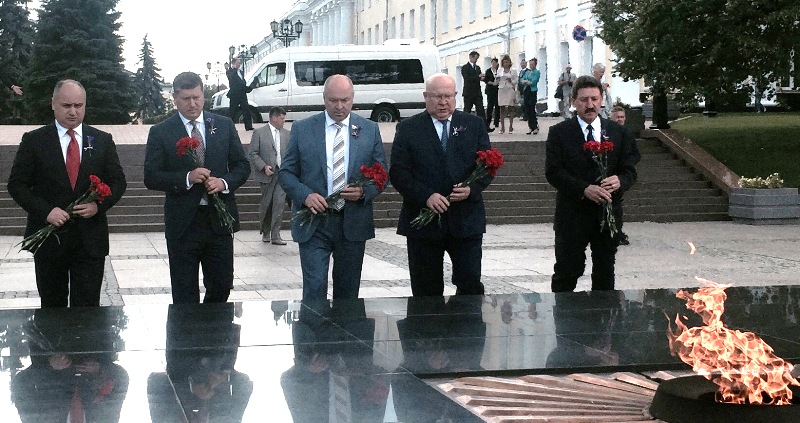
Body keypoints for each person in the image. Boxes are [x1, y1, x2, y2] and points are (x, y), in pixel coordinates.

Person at [7, 79, 127, 308]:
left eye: (78, 105)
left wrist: (98, 206)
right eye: (66, 105)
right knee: (52, 308)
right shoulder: (34, 141)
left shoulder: (102, 140)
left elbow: (118, 182)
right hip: (49, 239)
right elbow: (17, 185)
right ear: (53, 104)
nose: (73, 111)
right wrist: (46, 211)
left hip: (90, 241)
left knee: (88, 309)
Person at [144, 72, 250, 304]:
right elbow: (151, 177)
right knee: (184, 292)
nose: (192, 104)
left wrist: (223, 183)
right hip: (183, 223)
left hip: (219, 222)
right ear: (175, 98)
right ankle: (186, 338)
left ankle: (216, 335)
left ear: (204, 95)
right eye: (185, 99)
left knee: (221, 285)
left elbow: (242, 166)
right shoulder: (162, 131)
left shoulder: (223, 125)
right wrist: (186, 178)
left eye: (197, 97)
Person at [279, 74, 387, 302]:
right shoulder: (303, 129)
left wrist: (364, 192)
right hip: (313, 221)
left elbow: (382, 174)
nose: (339, 106)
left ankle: (346, 337)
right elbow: (286, 173)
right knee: (315, 285)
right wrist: (305, 195)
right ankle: (311, 336)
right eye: (333, 100)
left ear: (353, 98)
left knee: (348, 291)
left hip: (352, 221)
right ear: (324, 98)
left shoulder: (369, 129)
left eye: (345, 100)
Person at [389, 73, 494, 296]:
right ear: (426, 97)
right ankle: (427, 330)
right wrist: (426, 196)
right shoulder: (408, 128)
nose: (443, 102)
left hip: (466, 220)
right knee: (426, 290)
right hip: (424, 223)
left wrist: (472, 189)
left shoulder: (473, 124)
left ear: (455, 97)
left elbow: (487, 166)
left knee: (470, 285)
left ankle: (467, 329)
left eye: (448, 96)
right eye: (437, 96)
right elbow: (399, 173)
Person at [545, 76, 640, 292]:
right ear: (573, 101)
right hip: (572, 215)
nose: (590, 105)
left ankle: (605, 321)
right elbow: (553, 172)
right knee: (567, 272)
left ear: (602, 99)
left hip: (607, 216)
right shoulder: (559, 133)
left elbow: (629, 170)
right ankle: (564, 321)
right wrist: (583, 189)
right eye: (584, 100)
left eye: (595, 99)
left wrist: (620, 181)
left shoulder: (619, 133)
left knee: (605, 273)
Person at [248, 106, 290, 245]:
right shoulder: (259, 133)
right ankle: (265, 231)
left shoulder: (287, 134)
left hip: (282, 174)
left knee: (279, 203)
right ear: (273, 118)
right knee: (268, 203)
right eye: (282, 118)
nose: (284, 121)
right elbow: (252, 153)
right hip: (267, 174)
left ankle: (276, 235)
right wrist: (263, 166)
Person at [610, 105, 630, 246]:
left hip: (620, 175)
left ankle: (618, 231)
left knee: (617, 207)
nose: (620, 120)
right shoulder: (607, 132)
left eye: (622, 117)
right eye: (617, 117)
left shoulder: (627, 134)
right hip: (609, 173)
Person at [460, 51, 488, 129]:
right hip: (468, 93)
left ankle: (485, 127)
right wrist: (478, 76)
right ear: (471, 57)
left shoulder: (477, 67)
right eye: (475, 58)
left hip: (477, 93)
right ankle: (463, 126)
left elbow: (478, 78)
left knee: (481, 110)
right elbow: (467, 78)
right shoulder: (465, 67)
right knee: (467, 110)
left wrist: (483, 78)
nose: (476, 60)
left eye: (477, 59)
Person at [226, 58, 254, 131]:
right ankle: (230, 127)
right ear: (234, 63)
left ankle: (248, 126)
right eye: (238, 62)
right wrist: (234, 69)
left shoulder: (241, 72)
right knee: (232, 111)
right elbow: (231, 80)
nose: (239, 64)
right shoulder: (230, 71)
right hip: (234, 95)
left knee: (246, 110)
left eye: (240, 63)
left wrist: (248, 88)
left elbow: (242, 82)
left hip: (242, 94)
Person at [496, 54, 518, 134]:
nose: (505, 63)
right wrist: (498, 79)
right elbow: (497, 81)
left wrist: (511, 80)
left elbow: (516, 81)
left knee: (510, 108)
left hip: (509, 89)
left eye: (507, 62)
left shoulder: (513, 71)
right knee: (501, 108)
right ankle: (502, 127)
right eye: (504, 62)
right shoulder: (499, 71)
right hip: (502, 90)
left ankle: (511, 126)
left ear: (509, 63)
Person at [520, 57, 541, 135]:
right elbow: (522, 79)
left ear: (535, 64)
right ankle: (530, 127)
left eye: (532, 64)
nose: (531, 65)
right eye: (530, 64)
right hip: (526, 91)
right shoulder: (528, 72)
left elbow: (534, 81)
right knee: (527, 109)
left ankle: (535, 126)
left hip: (532, 91)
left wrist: (528, 82)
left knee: (532, 108)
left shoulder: (537, 72)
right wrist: (524, 81)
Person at [483, 57, 500, 132]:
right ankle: (488, 121)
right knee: (490, 106)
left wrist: (498, 82)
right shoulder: (488, 71)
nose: (494, 64)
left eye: (495, 63)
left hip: (498, 90)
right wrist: (492, 83)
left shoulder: (499, 71)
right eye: (492, 63)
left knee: (497, 106)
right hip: (490, 90)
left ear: (497, 63)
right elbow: (486, 80)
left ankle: (496, 121)